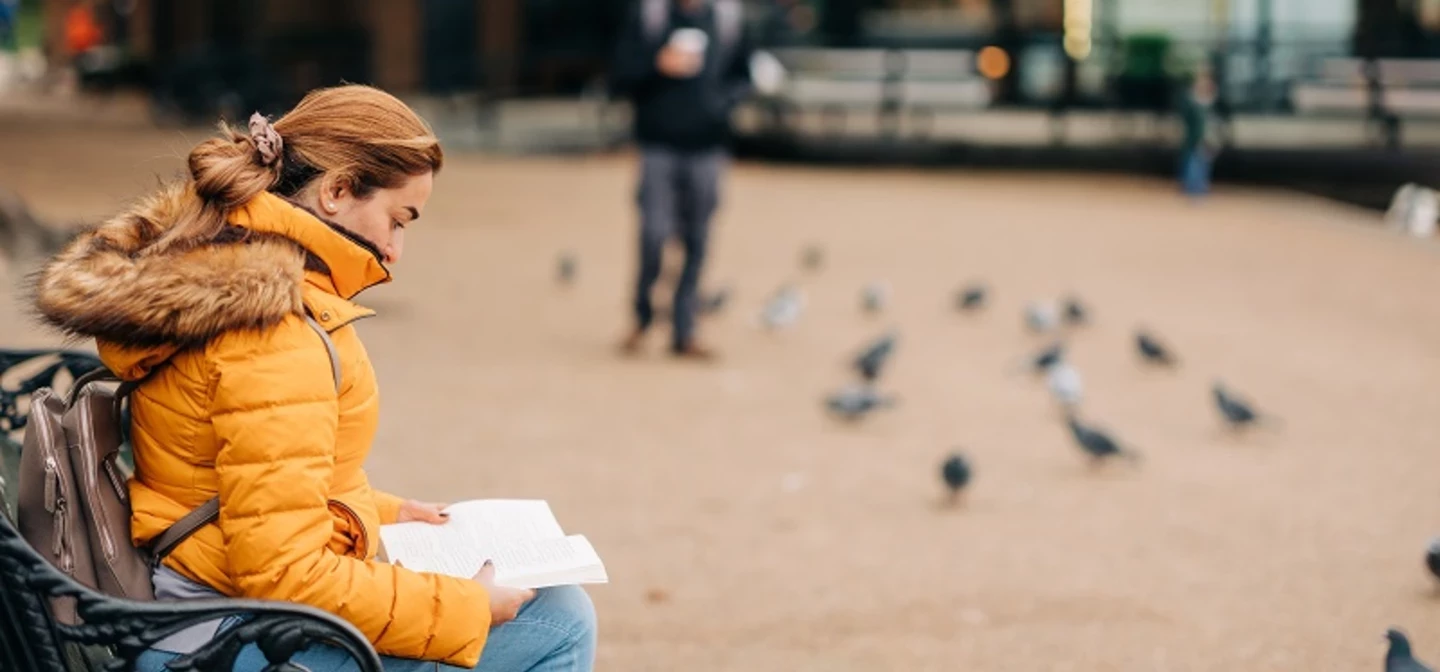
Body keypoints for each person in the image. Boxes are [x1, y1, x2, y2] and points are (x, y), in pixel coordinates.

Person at [31, 85, 596, 672]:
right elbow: (281, 571)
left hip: (197, 598)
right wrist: (465, 606)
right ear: (336, 190)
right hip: (220, 637)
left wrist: (382, 512)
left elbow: (239, 476)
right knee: (559, 621)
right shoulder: (273, 330)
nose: (396, 251)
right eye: (398, 220)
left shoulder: (223, 272)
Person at [611, 0, 754, 360]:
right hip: (658, 144)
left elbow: (746, 74)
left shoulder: (726, 19)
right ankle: (642, 316)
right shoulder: (650, 17)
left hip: (707, 147)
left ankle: (684, 330)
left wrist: (720, 104)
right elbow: (620, 76)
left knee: (697, 239)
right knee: (654, 234)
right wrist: (658, 65)